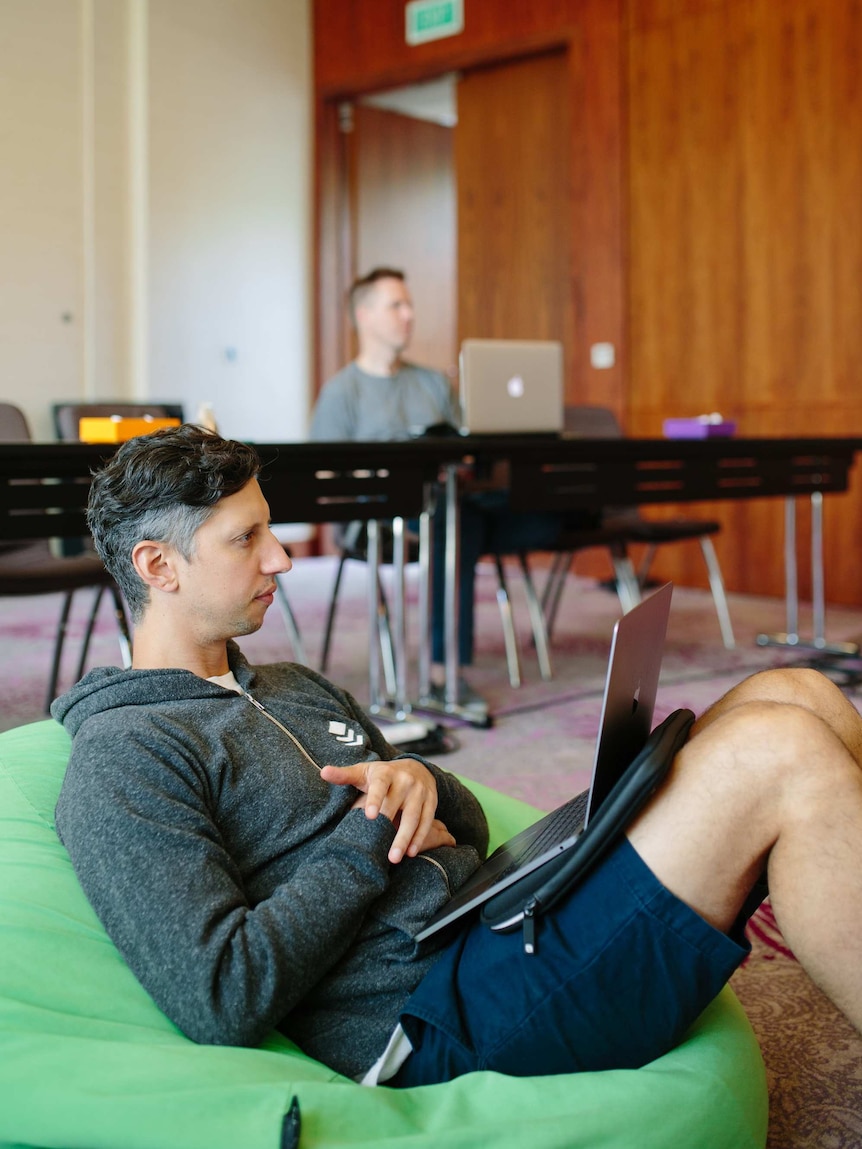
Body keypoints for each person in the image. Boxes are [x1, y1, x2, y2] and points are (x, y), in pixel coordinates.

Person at [53, 424, 862, 1089]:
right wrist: (374, 829)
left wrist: (422, 782)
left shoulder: (291, 682)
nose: (284, 559)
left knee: (797, 693)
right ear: (157, 566)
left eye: (270, 528)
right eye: (247, 539)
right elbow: (221, 995)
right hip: (441, 1014)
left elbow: (466, 827)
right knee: (779, 749)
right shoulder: (126, 753)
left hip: (494, 916)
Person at [310, 267, 587, 709]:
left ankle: (444, 664)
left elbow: (465, 449)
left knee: (544, 513)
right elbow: (324, 475)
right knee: (454, 528)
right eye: (396, 305)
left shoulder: (433, 384)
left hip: (453, 507)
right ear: (363, 315)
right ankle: (442, 672)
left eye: (410, 305)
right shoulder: (342, 393)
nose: (409, 315)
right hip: (382, 519)